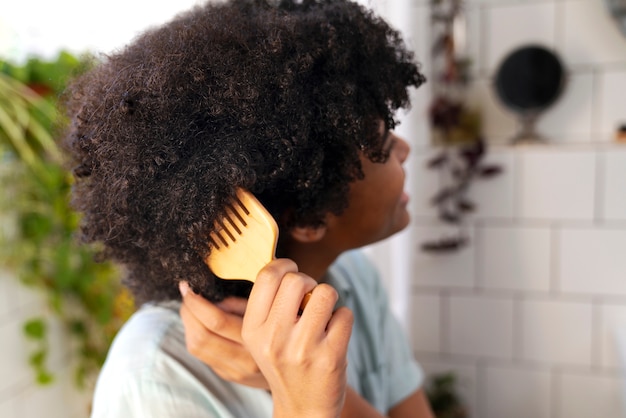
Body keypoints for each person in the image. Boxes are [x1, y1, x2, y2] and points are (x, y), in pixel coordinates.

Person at [61, 0, 431, 416]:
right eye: (382, 146)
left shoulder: (353, 279)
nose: (404, 149)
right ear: (308, 217)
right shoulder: (157, 374)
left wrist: (282, 380)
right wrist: (301, 400)